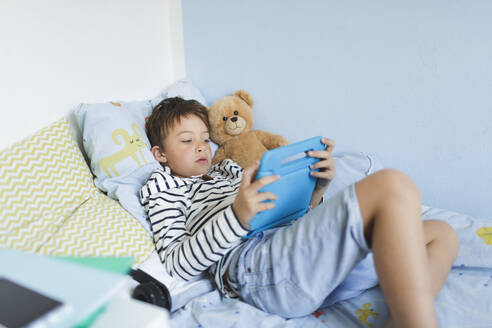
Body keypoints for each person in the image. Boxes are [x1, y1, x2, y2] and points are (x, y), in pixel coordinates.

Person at [140, 96, 459, 327]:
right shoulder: (164, 188)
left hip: (300, 255)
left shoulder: (229, 170)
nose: (200, 147)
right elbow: (178, 264)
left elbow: (287, 215)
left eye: (205, 139)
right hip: (258, 267)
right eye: (186, 140)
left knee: (441, 234)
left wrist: (317, 190)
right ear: (160, 154)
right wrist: (237, 216)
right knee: (391, 185)